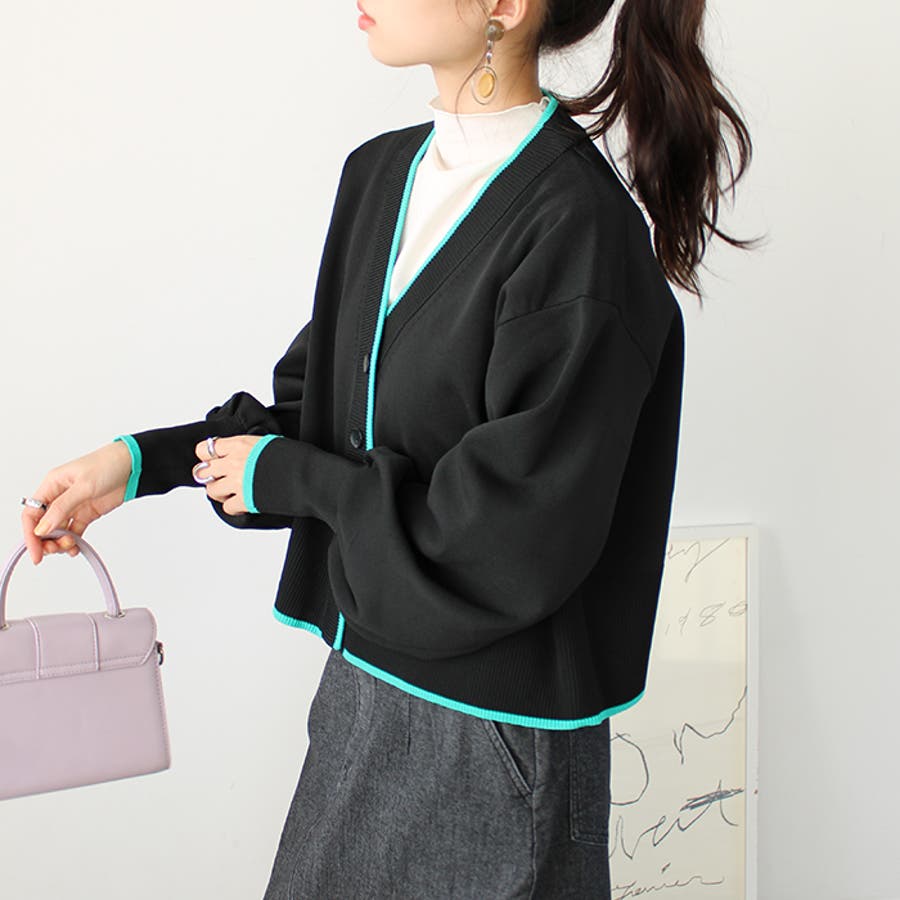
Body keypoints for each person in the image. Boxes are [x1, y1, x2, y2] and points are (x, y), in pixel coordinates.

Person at [21, 0, 756, 896]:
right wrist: (142, 464)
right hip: (363, 687)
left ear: (504, 7)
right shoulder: (380, 176)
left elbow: (510, 536)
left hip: (491, 735)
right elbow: (329, 418)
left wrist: (296, 479)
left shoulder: (581, 230)